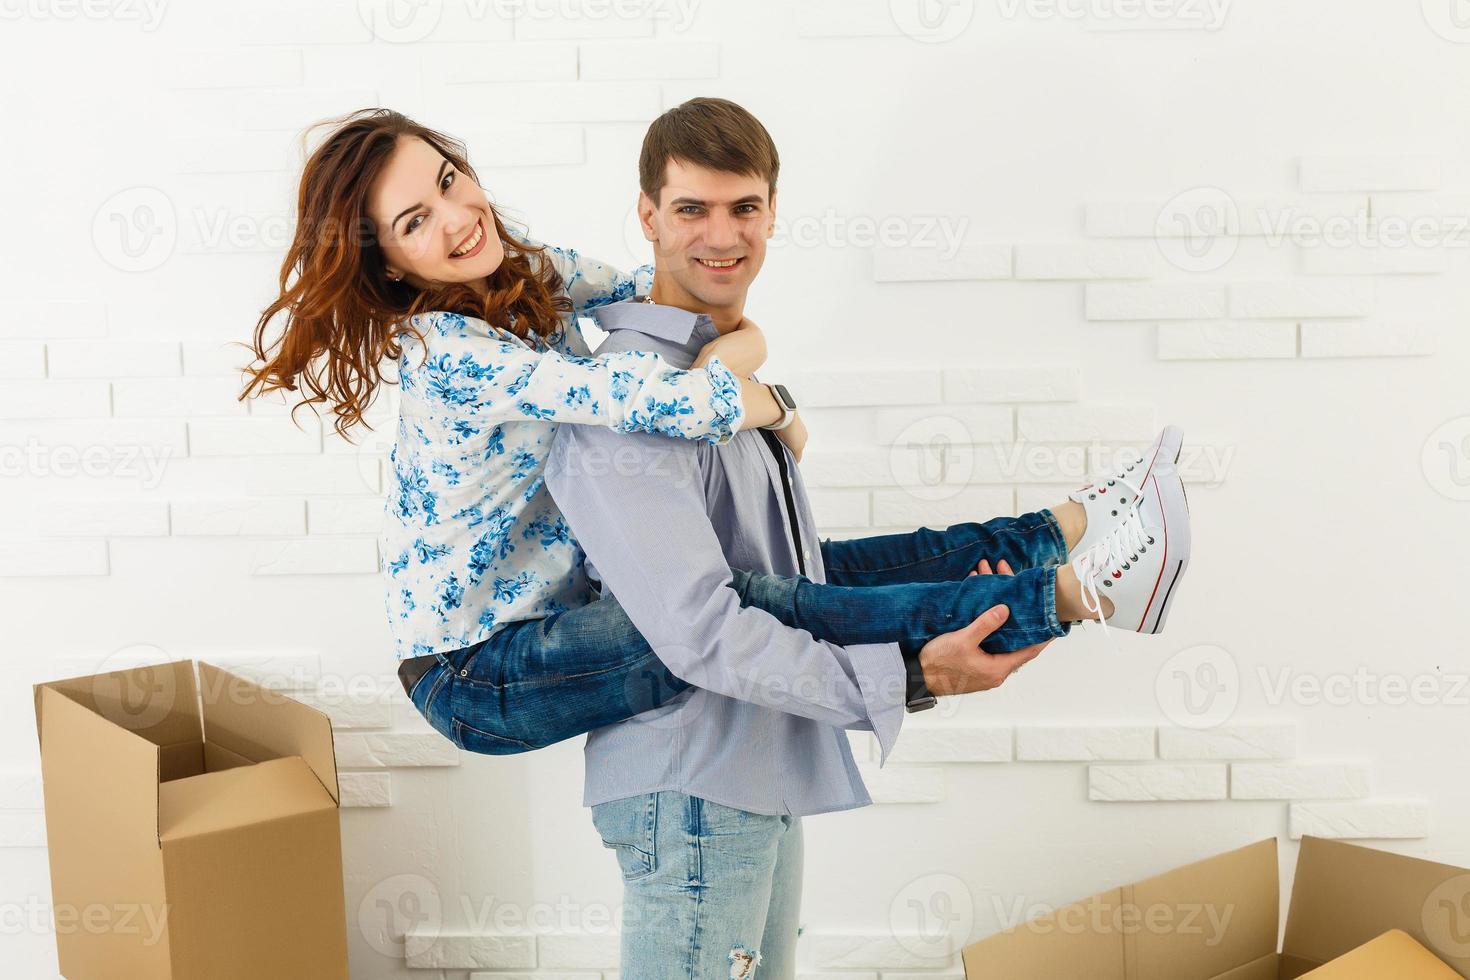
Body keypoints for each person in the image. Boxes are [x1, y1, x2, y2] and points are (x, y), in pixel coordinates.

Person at [243, 107, 1189, 762]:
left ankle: (1058, 526)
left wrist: (747, 350)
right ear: (390, 265)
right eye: (417, 220)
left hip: (557, 614)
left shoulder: (526, 273)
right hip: (477, 675)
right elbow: (673, 397)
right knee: (740, 607)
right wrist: (774, 402)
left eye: (450, 181)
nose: (459, 218)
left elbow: (670, 306)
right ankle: (1066, 598)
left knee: (802, 568)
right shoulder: (448, 352)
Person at [541, 97, 1193, 977]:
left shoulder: (714, 369)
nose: (720, 236)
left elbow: (791, 580)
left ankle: (1074, 549)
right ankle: (1082, 586)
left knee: (848, 568)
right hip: (691, 782)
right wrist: (908, 675)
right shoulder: (631, 399)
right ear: (648, 216)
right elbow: (699, 629)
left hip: (744, 765)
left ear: (773, 210)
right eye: (691, 209)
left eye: (744, 208)